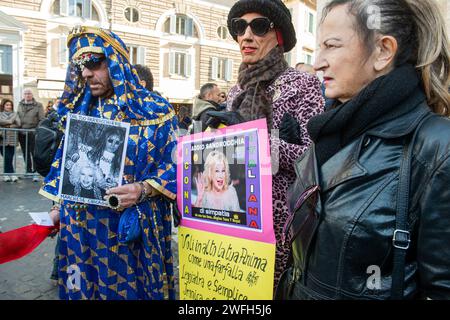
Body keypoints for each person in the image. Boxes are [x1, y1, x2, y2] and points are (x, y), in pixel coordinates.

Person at [280, 0, 450, 300]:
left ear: (383, 51)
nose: (318, 62)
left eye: (331, 46)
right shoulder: (328, 132)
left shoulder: (437, 146)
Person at [42, 26, 178, 300]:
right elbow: (66, 170)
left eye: (94, 63)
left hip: (131, 236)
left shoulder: (155, 109)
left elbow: (177, 166)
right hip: (81, 235)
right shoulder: (80, 111)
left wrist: (144, 189)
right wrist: (57, 208)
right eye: (80, 66)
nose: (86, 73)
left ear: (116, 61)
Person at [207, 0, 324, 289]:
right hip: (233, 216)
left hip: (280, 228)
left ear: (279, 36)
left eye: (258, 26)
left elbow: (316, 158)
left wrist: (254, 139)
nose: (246, 36)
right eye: (239, 27)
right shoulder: (236, 91)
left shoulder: (302, 85)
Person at [17, 88, 45, 181]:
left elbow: (42, 119)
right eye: (25, 93)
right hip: (22, 133)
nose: (27, 95)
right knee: (25, 153)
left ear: (32, 95)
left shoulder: (38, 105)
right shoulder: (20, 104)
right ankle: (28, 171)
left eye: (29, 93)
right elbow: (17, 117)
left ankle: (35, 172)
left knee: (34, 153)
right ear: (23, 95)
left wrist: (37, 130)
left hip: (33, 133)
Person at [0, 99, 21, 182]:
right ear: (3, 106)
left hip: (12, 138)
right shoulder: (0, 114)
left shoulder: (15, 114)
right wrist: (10, 121)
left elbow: (18, 124)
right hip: (2, 139)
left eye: (10, 105)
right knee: (6, 157)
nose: (9, 106)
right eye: (7, 105)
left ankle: (7, 174)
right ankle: (11, 174)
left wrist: (7, 126)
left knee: (10, 157)